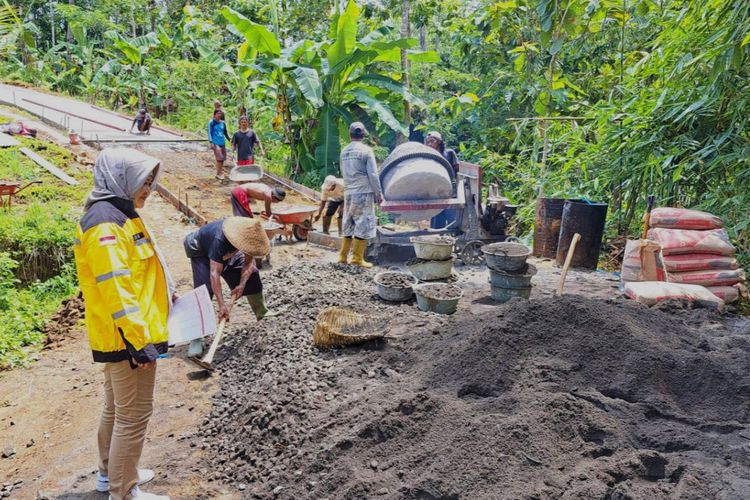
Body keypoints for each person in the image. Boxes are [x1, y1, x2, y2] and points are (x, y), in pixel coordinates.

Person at [74, 149, 174, 500]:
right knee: (134, 415)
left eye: (151, 181)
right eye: (144, 181)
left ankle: (112, 474)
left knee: (117, 408)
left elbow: (137, 276)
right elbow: (116, 287)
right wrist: (138, 342)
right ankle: (124, 490)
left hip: (124, 334)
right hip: (125, 338)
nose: (149, 188)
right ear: (121, 178)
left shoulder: (121, 214)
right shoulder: (105, 222)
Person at [183, 217, 278, 357]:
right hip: (200, 250)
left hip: (227, 252)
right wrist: (222, 305)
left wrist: (241, 284)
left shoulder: (247, 238)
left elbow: (247, 264)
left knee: (252, 275)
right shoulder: (220, 239)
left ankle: (261, 312)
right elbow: (215, 273)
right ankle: (196, 338)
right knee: (204, 291)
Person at [338, 122, 382, 267]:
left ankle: (343, 257)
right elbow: (373, 175)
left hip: (349, 191)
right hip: (363, 191)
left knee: (348, 222)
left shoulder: (344, 151)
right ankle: (357, 259)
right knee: (362, 223)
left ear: (350, 135)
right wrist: (378, 193)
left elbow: (342, 171)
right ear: (363, 135)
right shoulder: (367, 151)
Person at [426, 131, 460, 229]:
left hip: (450, 190)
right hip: (435, 191)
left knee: (451, 217)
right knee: (437, 218)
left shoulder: (449, 153)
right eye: (428, 142)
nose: (430, 144)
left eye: (432, 141)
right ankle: (436, 239)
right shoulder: (428, 156)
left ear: (439, 142)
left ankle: (454, 238)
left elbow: (457, 169)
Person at [208, 109, 231, 180]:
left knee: (223, 159)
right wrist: (211, 142)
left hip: (222, 142)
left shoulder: (222, 123)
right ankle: (218, 173)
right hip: (215, 143)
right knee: (219, 158)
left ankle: (220, 172)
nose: (219, 115)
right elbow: (209, 132)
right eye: (218, 113)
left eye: (220, 114)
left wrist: (230, 140)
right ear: (214, 114)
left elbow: (225, 133)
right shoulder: (211, 122)